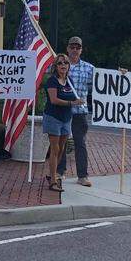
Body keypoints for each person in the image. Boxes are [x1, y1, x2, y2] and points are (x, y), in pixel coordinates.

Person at [43, 53, 83, 194]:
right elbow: (54, 100)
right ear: (56, 66)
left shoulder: (69, 81)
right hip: (53, 117)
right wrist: (72, 102)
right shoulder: (52, 81)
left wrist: (78, 101)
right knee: (55, 148)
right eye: (60, 63)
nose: (63, 65)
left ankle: (52, 174)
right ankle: (53, 181)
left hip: (67, 118)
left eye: (65, 63)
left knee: (61, 148)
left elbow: (73, 97)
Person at [57, 36, 93, 187]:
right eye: (72, 47)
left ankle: (82, 176)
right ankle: (60, 172)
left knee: (80, 143)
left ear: (81, 50)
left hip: (80, 111)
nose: (74, 50)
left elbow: (103, 82)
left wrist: (121, 75)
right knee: (61, 142)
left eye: (77, 47)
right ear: (67, 48)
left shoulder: (89, 68)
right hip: (63, 108)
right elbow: (46, 75)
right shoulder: (60, 65)